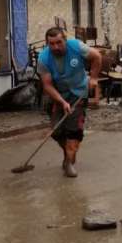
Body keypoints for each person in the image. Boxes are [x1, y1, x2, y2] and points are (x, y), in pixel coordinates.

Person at [37, 27, 101, 178]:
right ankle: (68, 153)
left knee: (73, 132)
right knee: (57, 132)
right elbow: (47, 85)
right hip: (58, 95)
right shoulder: (43, 59)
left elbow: (97, 56)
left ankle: (69, 163)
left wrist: (93, 78)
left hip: (78, 93)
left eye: (59, 42)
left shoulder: (76, 46)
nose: (55, 47)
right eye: (51, 44)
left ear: (65, 39)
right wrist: (61, 102)